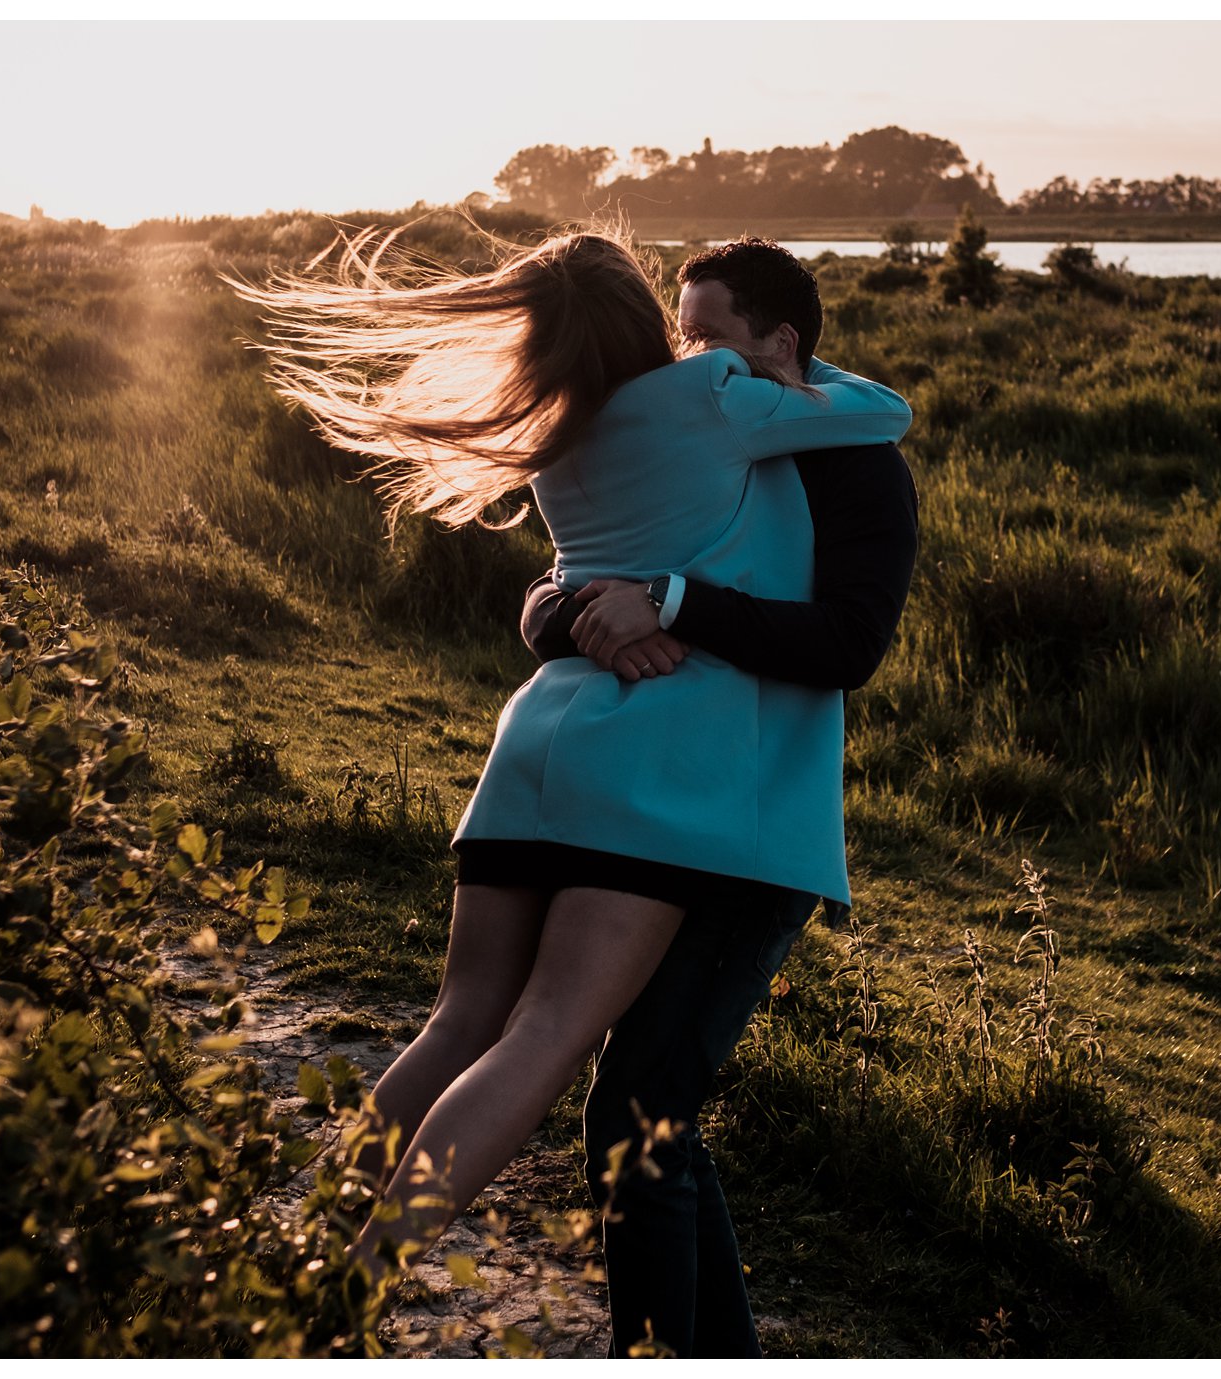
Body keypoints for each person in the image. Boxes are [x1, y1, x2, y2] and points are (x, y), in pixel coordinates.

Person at [235, 226, 911, 1284]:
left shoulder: (559, 437)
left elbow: (557, 589)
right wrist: (771, 362)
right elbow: (882, 410)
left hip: (533, 748)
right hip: (645, 766)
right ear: (643, 317)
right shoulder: (716, 396)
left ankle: (300, 1238)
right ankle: (363, 1277)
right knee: (544, 1035)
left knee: (459, 1017)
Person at [518, 238, 920, 1357]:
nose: (681, 362)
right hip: (650, 816)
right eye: (674, 336)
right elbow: (560, 579)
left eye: (701, 338)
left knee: (634, 1112)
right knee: (650, 1116)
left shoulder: (853, 459)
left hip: (756, 833)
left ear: (779, 344)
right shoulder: (695, 425)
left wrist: (676, 602)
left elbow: (850, 642)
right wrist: (585, 613)